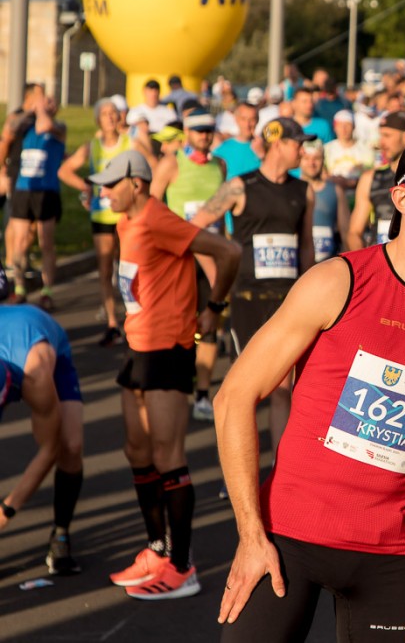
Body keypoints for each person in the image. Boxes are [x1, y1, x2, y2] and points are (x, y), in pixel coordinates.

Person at [214, 129, 405, 641]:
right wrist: (250, 534)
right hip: (286, 540)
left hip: (392, 558)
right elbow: (234, 396)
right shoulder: (336, 282)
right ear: (403, 197)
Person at [92, 150, 240, 600]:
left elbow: (228, 251)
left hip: (168, 349)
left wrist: (214, 308)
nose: (104, 193)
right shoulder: (125, 222)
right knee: (136, 450)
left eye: (111, 185)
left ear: (135, 183)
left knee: (167, 454)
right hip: (137, 347)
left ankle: (182, 567)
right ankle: (157, 549)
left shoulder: (158, 219)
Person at [190, 118, 314, 450]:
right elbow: (196, 229)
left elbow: (305, 246)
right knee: (243, 390)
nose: (303, 151)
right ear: (278, 144)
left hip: (288, 303)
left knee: (284, 389)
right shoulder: (239, 186)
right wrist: (218, 275)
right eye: (298, 144)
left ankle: (279, 468)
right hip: (248, 299)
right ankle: (237, 462)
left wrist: (310, 291)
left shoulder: (303, 191)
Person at [151, 110, 228, 421]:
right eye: (199, 131)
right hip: (179, 258)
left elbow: (224, 212)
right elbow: (151, 206)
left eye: (209, 130)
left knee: (210, 322)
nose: (205, 136)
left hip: (213, 257)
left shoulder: (219, 165)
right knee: (178, 323)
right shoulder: (172, 163)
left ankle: (202, 395)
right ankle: (176, 386)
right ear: (187, 133)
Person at [0, 304, 85, 577]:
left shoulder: (36, 375)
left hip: (45, 351)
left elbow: (49, 450)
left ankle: (61, 532)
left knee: (69, 445)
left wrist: (5, 511)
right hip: (14, 337)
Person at [58, 97, 149, 345]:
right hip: (101, 215)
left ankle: (135, 316)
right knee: (106, 268)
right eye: (105, 113)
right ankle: (111, 322)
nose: (110, 116)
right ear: (97, 119)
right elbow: (64, 171)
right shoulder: (92, 147)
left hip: (127, 215)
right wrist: (86, 187)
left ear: (119, 117)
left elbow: (150, 167)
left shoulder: (130, 142)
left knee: (130, 267)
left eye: (113, 112)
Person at [5, 90, 71, 309]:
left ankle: (47, 291)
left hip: (46, 191)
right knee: (19, 241)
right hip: (24, 189)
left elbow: (45, 125)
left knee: (46, 243)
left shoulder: (59, 127)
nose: (46, 103)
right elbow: (11, 128)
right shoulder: (27, 125)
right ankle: (19, 288)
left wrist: (40, 108)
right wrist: (29, 110)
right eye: (44, 100)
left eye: (51, 101)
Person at [348, 111, 405, 250]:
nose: (381, 142)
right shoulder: (370, 178)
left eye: (387, 136)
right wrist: (366, 261)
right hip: (380, 259)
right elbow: (354, 233)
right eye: (381, 135)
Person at [300, 140, 349, 261]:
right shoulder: (291, 190)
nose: (311, 163)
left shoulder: (336, 190)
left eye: (316, 158)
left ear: (323, 160)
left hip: (328, 263)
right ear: (299, 159)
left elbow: (346, 233)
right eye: (306, 158)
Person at [213, 102, 263, 179]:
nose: (247, 124)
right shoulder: (221, 150)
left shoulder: (266, 148)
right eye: (243, 119)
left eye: (252, 120)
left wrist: (262, 155)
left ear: (258, 120)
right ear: (236, 119)